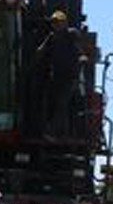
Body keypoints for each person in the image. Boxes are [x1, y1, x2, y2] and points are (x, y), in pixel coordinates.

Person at [36, 10, 85, 139]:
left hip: (70, 77)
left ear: (65, 23)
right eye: (54, 22)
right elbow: (41, 50)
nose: (55, 25)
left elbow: (79, 49)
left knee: (62, 104)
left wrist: (82, 57)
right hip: (56, 76)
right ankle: (61, 133)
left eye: (58, 22)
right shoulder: (52, 37)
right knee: (54, 104)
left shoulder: (72, 34)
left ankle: (52, 132)